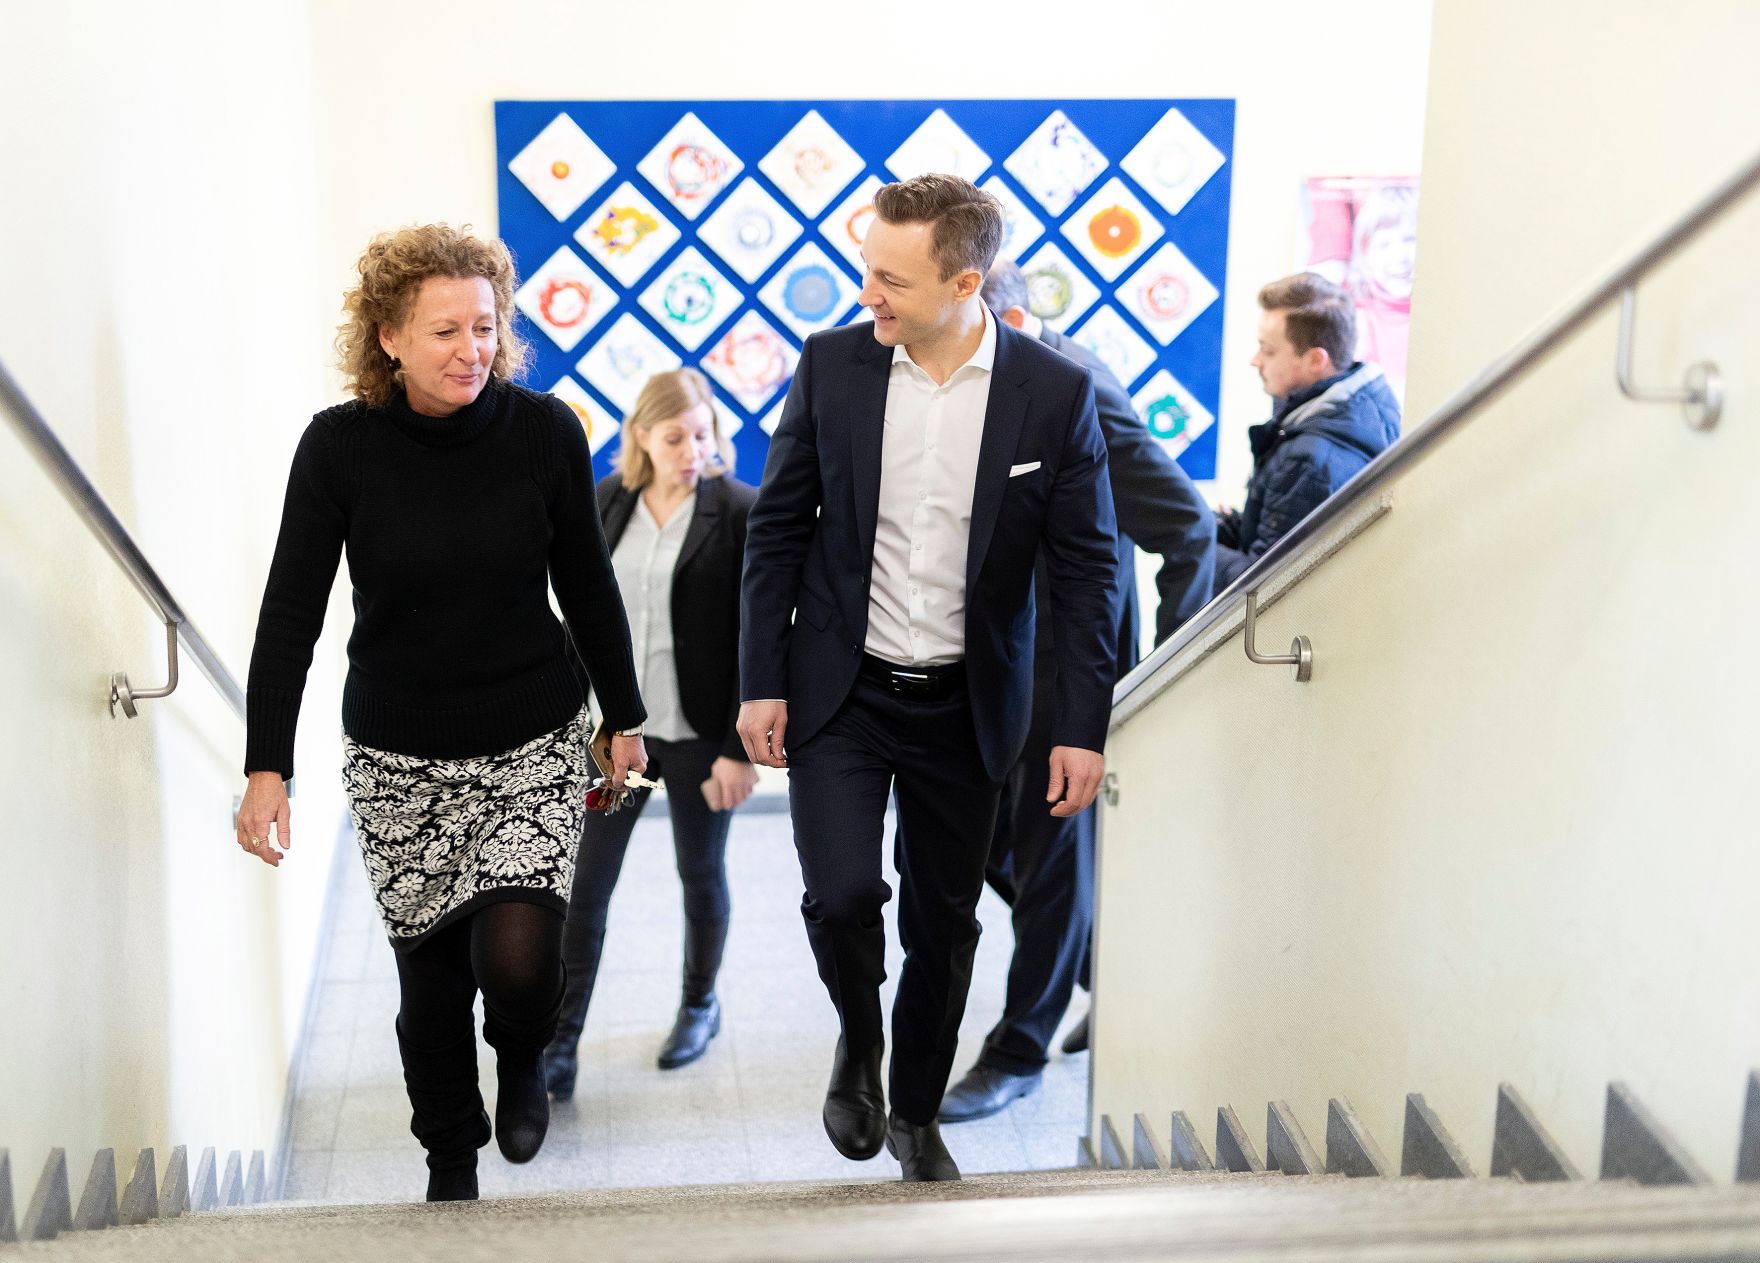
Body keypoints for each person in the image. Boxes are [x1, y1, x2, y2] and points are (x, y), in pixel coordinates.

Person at [233, 224, 648, 1203]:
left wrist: (621, 715)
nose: (472, 349)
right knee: (429, 988)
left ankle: (525, 1058)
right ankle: (449, 1163)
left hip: (531, 735)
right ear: (386, 337)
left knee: (517, 954)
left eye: (485, 326)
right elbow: (290, 609)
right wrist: (266, 764)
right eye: (443, 331)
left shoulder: (545, 431)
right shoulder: (340, 448)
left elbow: (586, 586)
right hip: (398, 750)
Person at [737, 174, 1122, 1182]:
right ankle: (856, 1039)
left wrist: (1081, 726)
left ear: (963, 283)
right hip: (842, 690)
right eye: (866, 268)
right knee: (843, 894)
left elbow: (1087, 574)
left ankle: (912, 1114)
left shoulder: (1054, 395)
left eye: (887, 279)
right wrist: (759, 678)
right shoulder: (831, 370)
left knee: (943, 921)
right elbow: (776, 530)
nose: (866, 293)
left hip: (969, 703)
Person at [935, 260, 1216, 1123]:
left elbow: (1186, 524)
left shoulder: (1077, 385)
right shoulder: (982, 378)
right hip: (988, 663)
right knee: (984, 848)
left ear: (1004, 312)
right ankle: (1102, 969)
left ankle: (1019, 1049)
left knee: (1051, 858)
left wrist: (1157, 674)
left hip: (1063, 674)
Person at [540, 368, 758, 1098]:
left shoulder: (737, 511)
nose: (692, 449)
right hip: (616, 737)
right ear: (641, 436)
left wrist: (737, 749)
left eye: (703, 434)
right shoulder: (606, 505)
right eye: (675, 436)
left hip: (700, 733)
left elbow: (753, 637)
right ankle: (561, 1040)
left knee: (700, 873)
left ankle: (700, 1006)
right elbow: (578, 620)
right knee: (586, 890)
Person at [1215, 272, 1402, 587]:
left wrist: (1192, 544)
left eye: (1268, 350)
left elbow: (1260, 588)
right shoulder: (1369, 407)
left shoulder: (1312, 459)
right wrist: (1215, 525)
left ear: (1315, 359)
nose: (1255, 360)